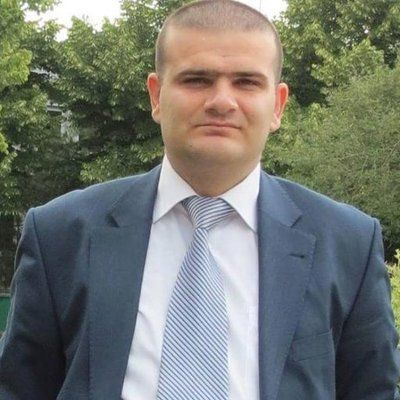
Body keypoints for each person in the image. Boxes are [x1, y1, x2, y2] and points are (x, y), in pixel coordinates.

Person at [0, 0, 398, 399]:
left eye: (246, 82)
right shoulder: (60, 235)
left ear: (277, 105)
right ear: (156, 96)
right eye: (196, 80)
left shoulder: (347, 243)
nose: (221, 101)